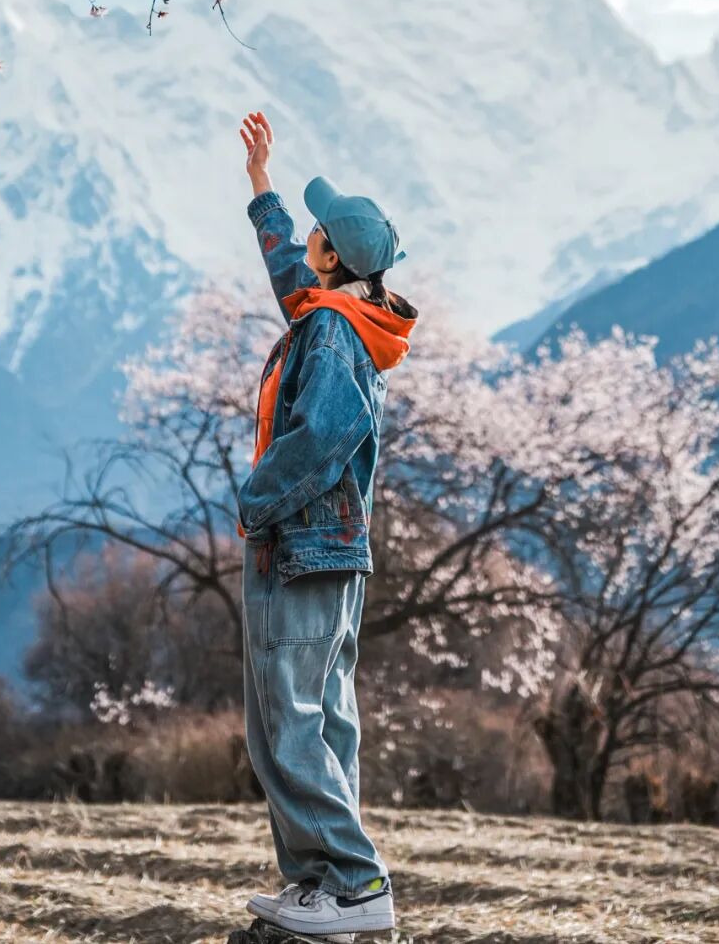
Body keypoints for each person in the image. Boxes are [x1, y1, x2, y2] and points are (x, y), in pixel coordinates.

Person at [236, 110, 418, 937]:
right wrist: (262, 188)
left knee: (286, 724)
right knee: (322, 718)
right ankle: (323, 884)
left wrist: (255, 502)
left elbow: (326, 433)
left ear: (335, 257)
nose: (306, 236)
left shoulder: (334, 335)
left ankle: (352, 881)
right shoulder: (340, 317)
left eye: (316, 230)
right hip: (332, 552)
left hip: (301, 549)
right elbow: (292, 282)